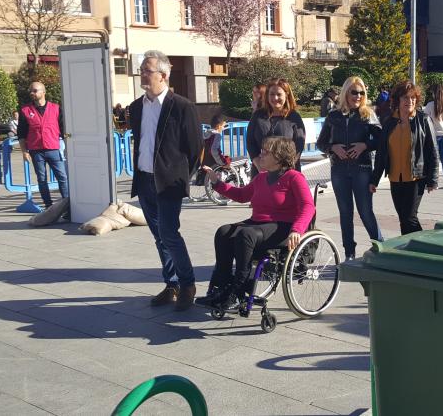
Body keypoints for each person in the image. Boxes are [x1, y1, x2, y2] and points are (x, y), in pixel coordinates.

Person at [197, 136, 315, 309]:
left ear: (279, 156)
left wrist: (297, 229)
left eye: (266, 152)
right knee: (223, 231)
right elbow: (241, 195)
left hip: (282, 226)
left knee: (246, 234)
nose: (261, 155)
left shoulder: (294, 177)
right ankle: (220, 287)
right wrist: (216, 182)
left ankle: (238, 291)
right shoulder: (261, 178)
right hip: (258, 223)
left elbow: (308, 206)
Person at [128, 50, 203, 310]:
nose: (142, 75)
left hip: (168, 182)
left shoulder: (182, 106)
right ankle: (171, 284)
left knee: (169, 234)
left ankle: (187, 283)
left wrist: (181, 176)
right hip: (145, 180)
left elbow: (195, 148)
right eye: (142, 70)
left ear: (163, 75)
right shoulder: (136, 107)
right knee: (159, 236)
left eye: (147, 71)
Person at [317, 76, 383, 260]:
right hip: (339, 170)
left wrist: (365, 145)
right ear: (346, 93)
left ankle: (380, 247)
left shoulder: (367, 114)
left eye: (362, 93)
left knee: (365, 211)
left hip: (361, 169)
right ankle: (349, 253)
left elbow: (381, 140)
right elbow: (321, 143)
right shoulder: (333, 116)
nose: (358, 96)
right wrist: (333, 148)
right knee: (345, 213)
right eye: (354, 92)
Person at [371, 81, 439, 235]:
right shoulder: (389, 122)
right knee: (403, 218)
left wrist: (433, 179)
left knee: (410, 217)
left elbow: (433, 151)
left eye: (413, 98)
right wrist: (374, 180)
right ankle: (408, 248)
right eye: (406, 98)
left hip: (416, 177)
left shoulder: (423, 120)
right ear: (397, 100)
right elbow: (382, 153)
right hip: (395, 178)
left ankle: (422, 247)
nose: (410, 101)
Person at [18, 81, 69, 209]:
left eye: (35, 90)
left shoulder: (56, 108)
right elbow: (21, 133)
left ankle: (67, 205)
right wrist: (24, 151)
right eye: (31, 91)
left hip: (53, 148)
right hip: (36, 151)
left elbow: (64, 130)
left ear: (43, 92)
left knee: (62, 177)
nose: (32, 93)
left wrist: (68, 147)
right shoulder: (25, 110)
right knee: (41, 179)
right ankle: (48, 206)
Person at [246, 79, 306, 176]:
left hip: (287, 172)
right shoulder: (258, 115)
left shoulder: (294, 117)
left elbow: (299, 146)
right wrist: (258, 164)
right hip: (261, 172)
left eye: (279, 94)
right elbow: (250, 141)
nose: (275, 98)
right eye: (272, 94)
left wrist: (284, 168)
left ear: (286, 95)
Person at [423, 83, 443, 189]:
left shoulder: (430, 105)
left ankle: (433, 182)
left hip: (433, 134)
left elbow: (425, 119)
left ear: (433, 93)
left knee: (433, 158)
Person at [195, 114, 229, 187]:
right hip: (213, 163)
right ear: (219, 126)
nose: (223, 128)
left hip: (204, 162)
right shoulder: (217, 135)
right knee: (229, 162)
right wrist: (223, 162)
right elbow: (214, 150)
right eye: (223, 126)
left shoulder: (205, 134)